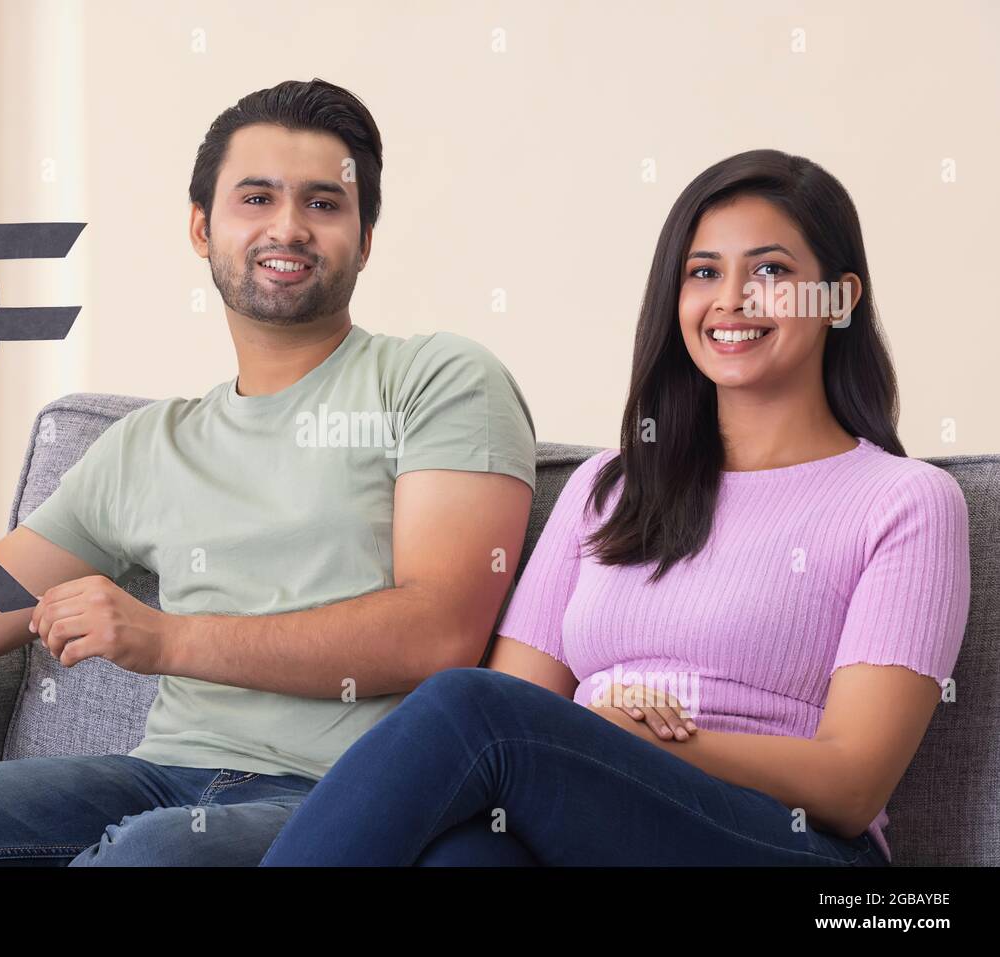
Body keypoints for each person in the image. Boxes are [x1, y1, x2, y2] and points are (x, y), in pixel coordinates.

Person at [0, 78, 537, 865]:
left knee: (153, 854)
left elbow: (439, 632)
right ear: (201, 227)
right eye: (255, 198)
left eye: (324, 203)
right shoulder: (147, 444)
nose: (288, 227)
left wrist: (166, 637)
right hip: (161, 780)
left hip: (351, 792)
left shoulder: (439, 379)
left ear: (364, 238)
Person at [260, 148, 971, 867]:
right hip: (599, 825)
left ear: (840, 299)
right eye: (702, 272)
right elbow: (520, 701)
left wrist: (649, 739)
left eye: (770, 271)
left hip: (791, 844)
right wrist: (599, 737)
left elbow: (852, 783)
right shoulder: (609, 486)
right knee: (466, 856)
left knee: (463, 708)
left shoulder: (904, 502)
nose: (729, 300)